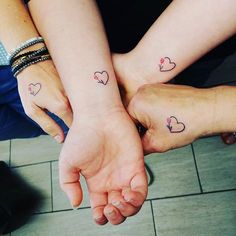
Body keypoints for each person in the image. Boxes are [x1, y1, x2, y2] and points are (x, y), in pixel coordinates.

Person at [26, 0, 236, 226]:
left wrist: (218, 109)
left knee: (196, 77)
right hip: (94, 41)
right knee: (188, 84)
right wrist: (100, 108)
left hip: (206, 41)